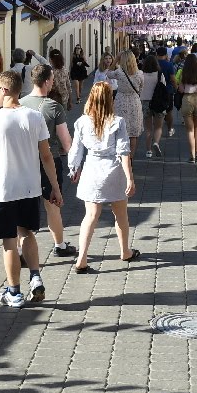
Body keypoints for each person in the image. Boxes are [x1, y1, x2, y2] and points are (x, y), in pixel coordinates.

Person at [0, 71, 62, 308]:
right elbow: (46, 156)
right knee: (27, 233)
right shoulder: (34, 117)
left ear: (4, 90)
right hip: (31, 188)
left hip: (4, 191)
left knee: (9, 242)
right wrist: (54, 187)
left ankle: (14, 292)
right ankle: (35, 276)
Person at [69, 82, 140, 271]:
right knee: (121, 214)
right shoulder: (117, 121)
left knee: (90, 216)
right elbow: (124, 152)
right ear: (111, 99)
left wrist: (73, 168)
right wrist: (130, 178)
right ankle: (125, 251)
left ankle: (81, 259)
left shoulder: (82, 122)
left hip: (92, 169)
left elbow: (76, 149)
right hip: (113, 171)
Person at [22, 64, 77, 258]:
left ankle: (23, 249)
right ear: (46, 82)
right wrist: (75, 164)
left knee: (25, 208)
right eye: (52, 79)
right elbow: (66, 141)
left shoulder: (19, 104)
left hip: (23, 163)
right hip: (49, 161)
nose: (53, 82)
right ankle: (59, 245)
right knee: (52, 205)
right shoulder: (54, 107)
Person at [110, 50, 146, 147]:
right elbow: (141, 89)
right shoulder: (140, 74)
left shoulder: (119, 73)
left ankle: (121, 158)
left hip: (120, 101)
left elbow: (108, 73)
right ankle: (130, 160)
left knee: (120, 132)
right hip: (134, 101)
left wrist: (116, 59)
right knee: (133, 135)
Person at [139, 52, 168, 158]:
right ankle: (156, 142)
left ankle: (148, 151)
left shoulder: (141, 74)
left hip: (145, 102)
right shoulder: (159, 74)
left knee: (148, 128)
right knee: (158, 126)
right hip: (158, 102)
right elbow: (163, 87)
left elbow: (138, 88)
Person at [179, 54, 197, 164]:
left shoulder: (183, 73)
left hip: (187, 99)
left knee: (190, 129)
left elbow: (180, 89)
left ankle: (192, 155)